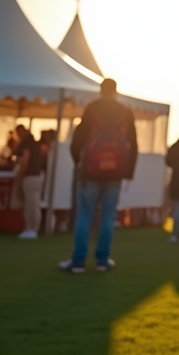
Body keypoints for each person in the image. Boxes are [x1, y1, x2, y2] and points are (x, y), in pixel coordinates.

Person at [59, 79, 137, 273]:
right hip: (115, 173)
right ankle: (102, 260)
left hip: (90, 172)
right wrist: (129, 170)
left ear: (101, 90)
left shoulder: (92, 108)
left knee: (84, 215)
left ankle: (78, 261)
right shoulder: (125, 112)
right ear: (116, 91)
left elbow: (77, 140)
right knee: (108, 216)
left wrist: (79, 162)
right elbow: (134, 144)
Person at [13, 124, 44, 239]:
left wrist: (20, 176)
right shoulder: (35, 143)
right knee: (32, 204)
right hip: (37, 175)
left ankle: (32, 228)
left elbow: (25, 160)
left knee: (32, 204)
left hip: (31, 176)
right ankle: (31, 228)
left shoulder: (27, 143)